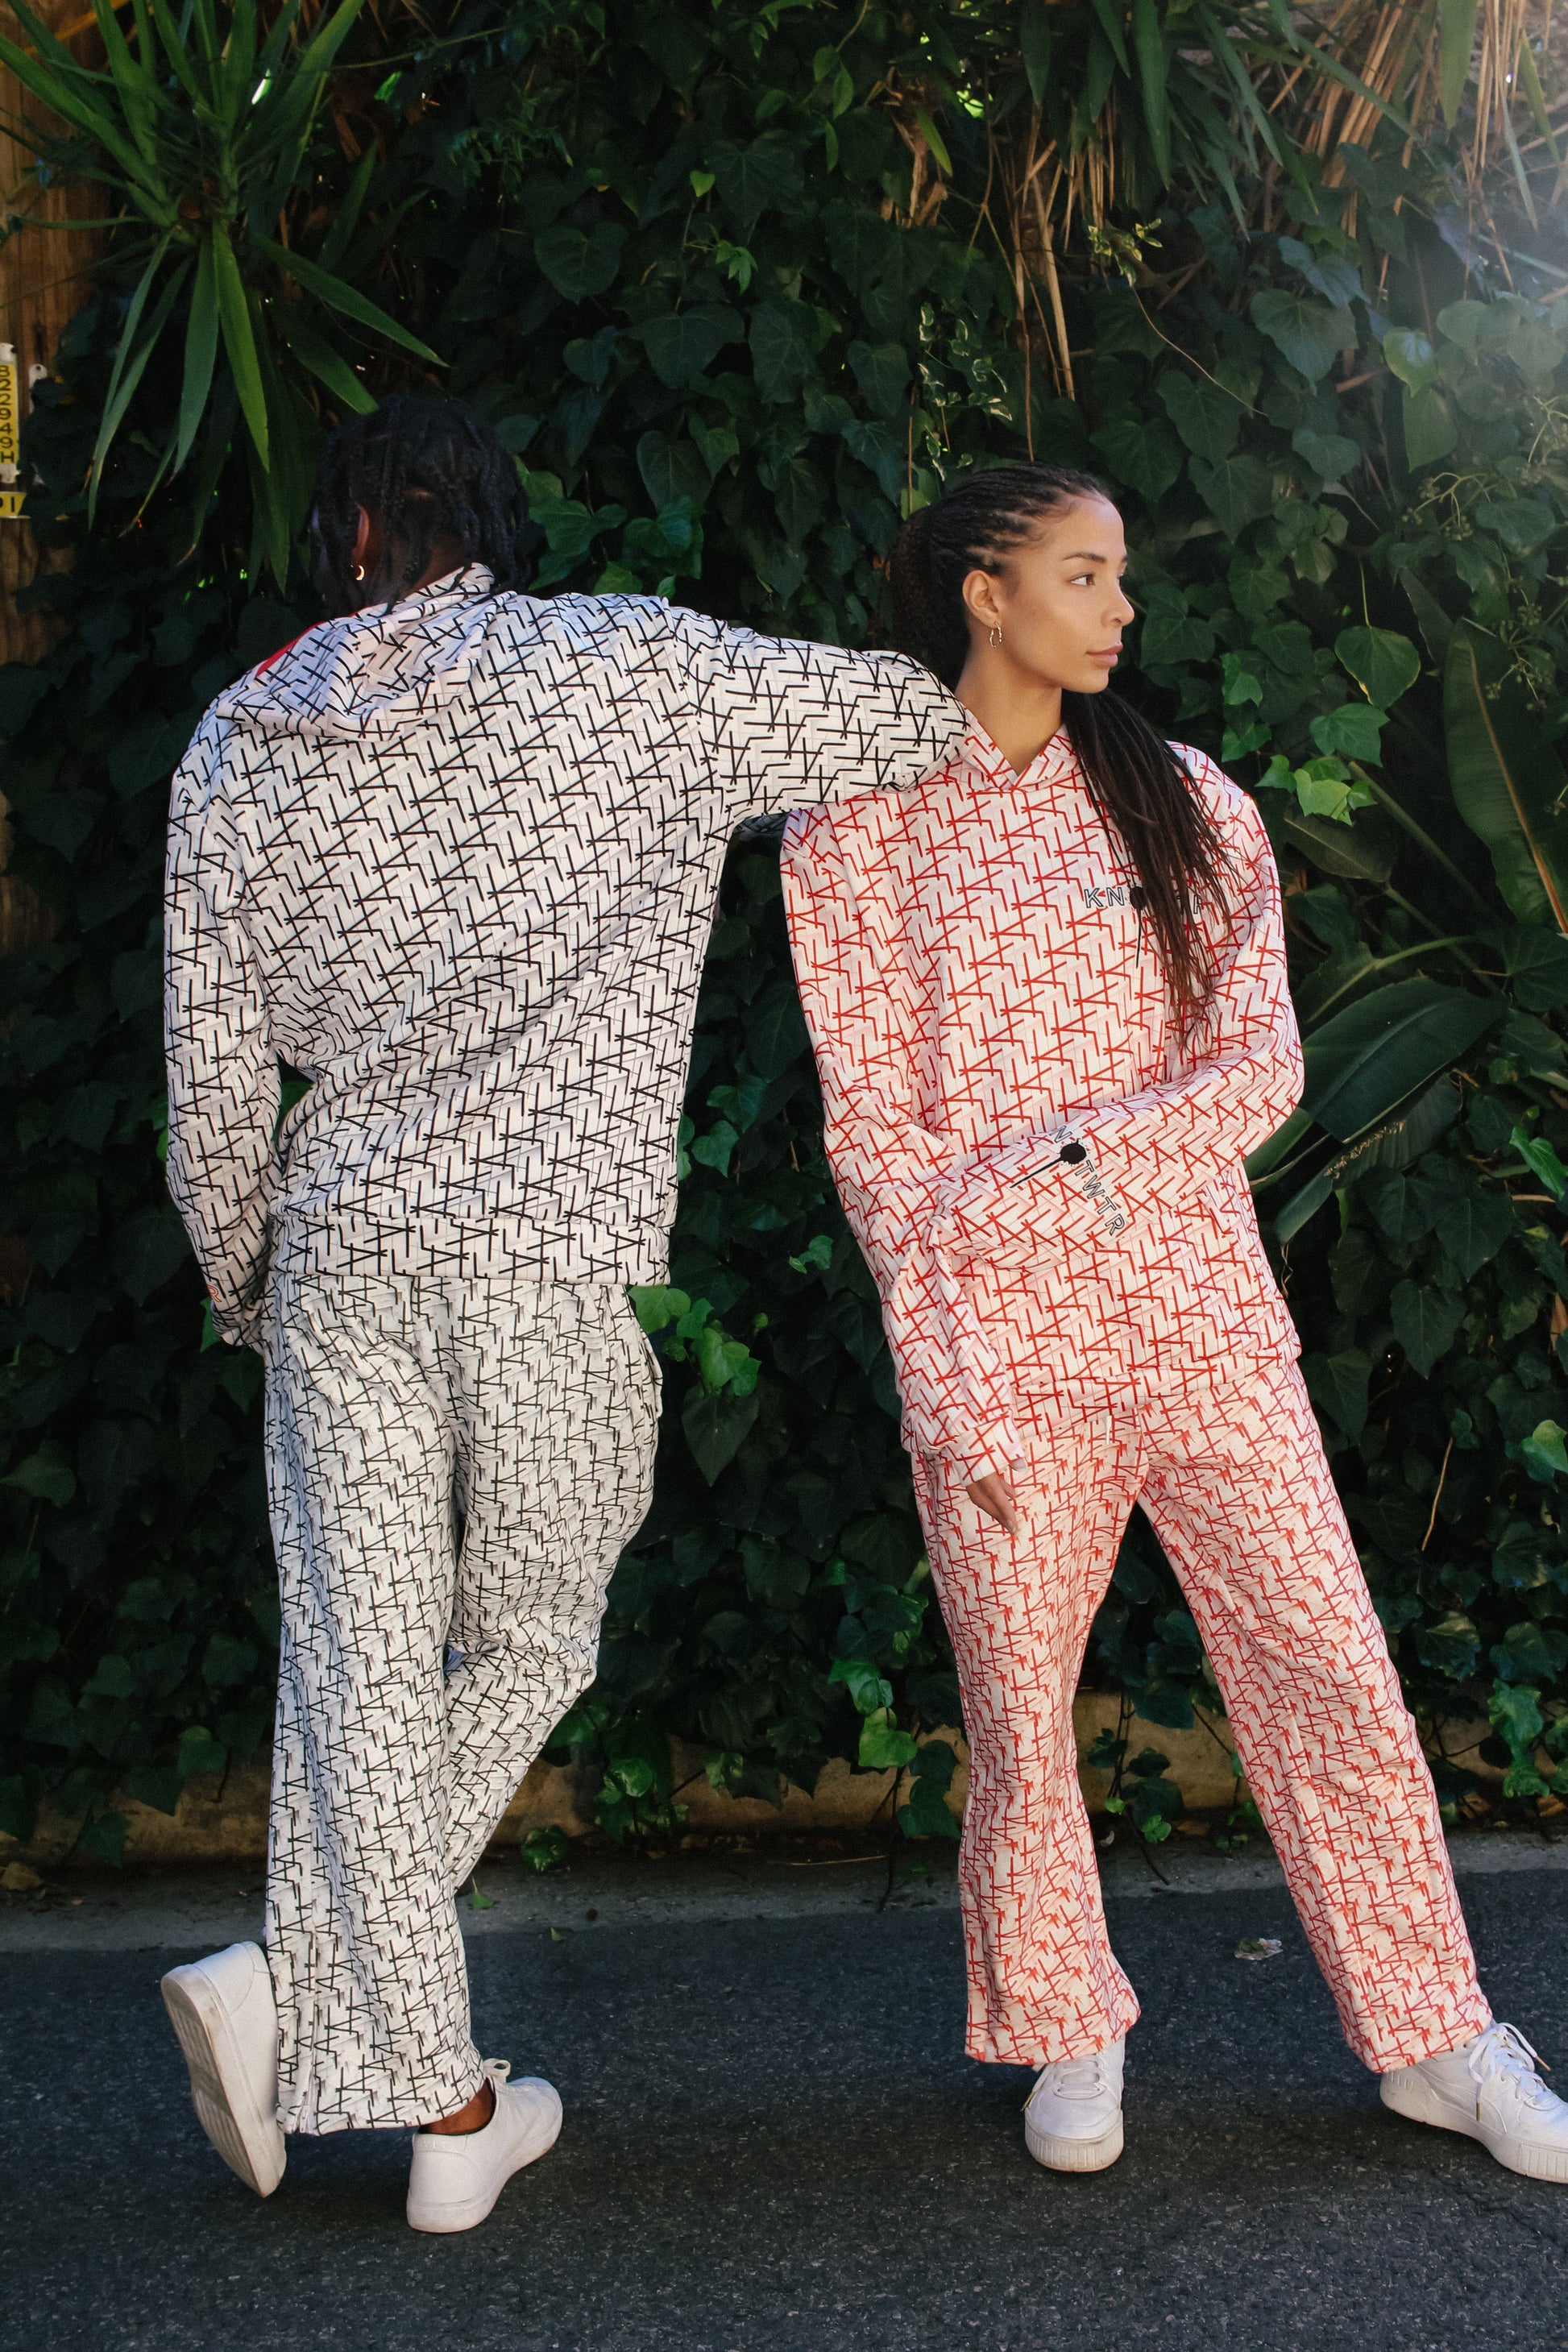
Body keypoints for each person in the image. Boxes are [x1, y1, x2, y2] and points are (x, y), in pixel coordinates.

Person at [158, 396, 966, 2233]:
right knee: (531, 1632)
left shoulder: (236, 734)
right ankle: (416, 2081)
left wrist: (240, 1271)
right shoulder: (617, 666)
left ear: (346, 539)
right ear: (492, 524)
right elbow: (901, 719)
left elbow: (212, 1076)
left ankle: (354, 2028)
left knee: (360, 1666)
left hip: (341, 1249)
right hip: (547, 1254)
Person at [779, 460, 1568, 2186]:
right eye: (1086, 570)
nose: (1122, 605)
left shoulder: (1186, 799)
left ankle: (1437, 2030)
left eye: (1119, 571)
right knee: (1014, 1699)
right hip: (996, 1351)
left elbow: (1262, 1063)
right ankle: (1070, 2020)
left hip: (1201, 1320)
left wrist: (1067, 1156)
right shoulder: (850, 831)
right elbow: (867, 1127)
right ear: (984, 591)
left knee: (1329, 1671)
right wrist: (943, 1357)